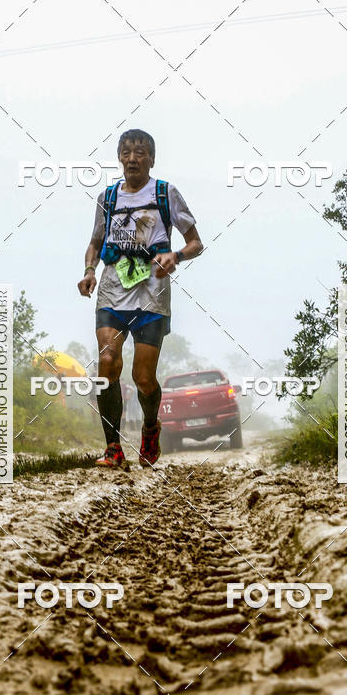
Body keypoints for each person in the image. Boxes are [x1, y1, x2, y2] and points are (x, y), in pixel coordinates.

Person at [78, 129, 203, 469]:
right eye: (126, 152)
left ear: (152, 159)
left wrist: (175, 256)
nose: (132, 159)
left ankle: (150, 428)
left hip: (152, 294)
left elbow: (196, 242)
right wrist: (89, 271)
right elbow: (95, 241)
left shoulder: (165, 193)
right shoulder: (108, 198)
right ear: (119, 157)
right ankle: (113, 449)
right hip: (112, 290)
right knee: (107, 362)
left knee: (143, 378)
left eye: (140, 152)